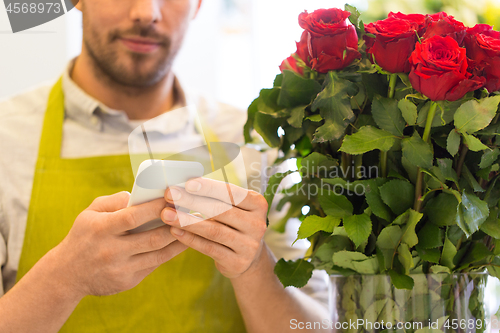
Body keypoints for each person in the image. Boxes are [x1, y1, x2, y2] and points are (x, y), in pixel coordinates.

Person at [0, 0, 330, 332]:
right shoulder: (7, 138)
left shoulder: (254, 143)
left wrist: (254, 266)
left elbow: (316, 326)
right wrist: (64, 278)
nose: (146, 12)